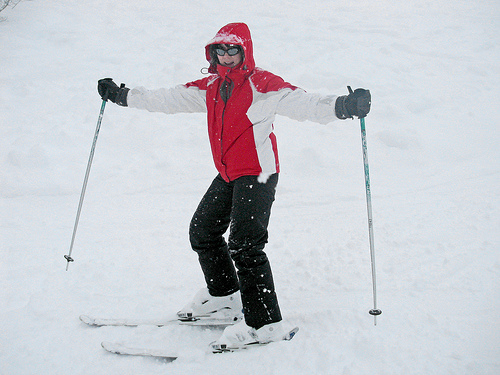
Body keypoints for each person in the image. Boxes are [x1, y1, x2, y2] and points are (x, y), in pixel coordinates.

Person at [97, 22, 370, 349]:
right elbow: (167, 98)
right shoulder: (210, 86)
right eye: (220, 50)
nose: (226, 56)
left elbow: (302, 102)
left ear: (245, 51)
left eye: (233, 49)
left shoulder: (263, 85)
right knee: (202, 230)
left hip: (258, 174)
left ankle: (265, 324)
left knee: (244, 244)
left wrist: (342, 106)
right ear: (212, 53)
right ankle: (226, 297)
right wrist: (122, 96)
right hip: (229, 173)